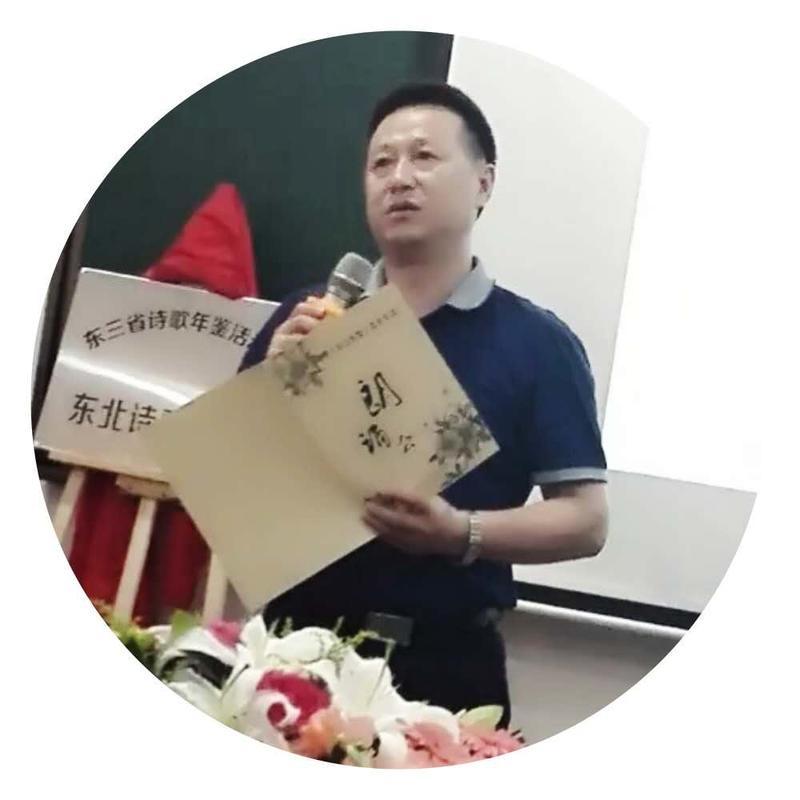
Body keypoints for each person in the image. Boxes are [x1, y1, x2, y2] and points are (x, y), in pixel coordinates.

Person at [240, 83, 609, 728]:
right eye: (381, 163)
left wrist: (461, 533)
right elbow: (236, 479)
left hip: (442, 669)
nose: (399, 178)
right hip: (295, 649)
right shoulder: (308, 317)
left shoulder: (537, 343)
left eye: (424, 157)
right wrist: (269, 389)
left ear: (483, 183)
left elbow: (586, 520)